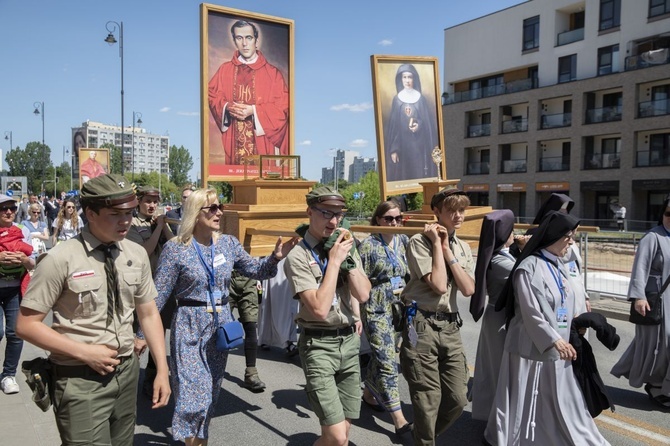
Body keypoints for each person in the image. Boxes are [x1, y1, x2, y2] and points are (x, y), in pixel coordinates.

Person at [135, 188, 298, 446]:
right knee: (194, 396)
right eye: (211, 208)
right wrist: (141, 335)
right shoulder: (175, 249)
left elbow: (257, 270)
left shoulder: (228, 244)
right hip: (189, 325)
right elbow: (158, 296)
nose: (218, 212)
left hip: (219, 327)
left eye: (219, 207)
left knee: (209, 396)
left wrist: (276, 258)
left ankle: (200, 441)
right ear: (195, 213)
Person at [16, 174, 171, 445]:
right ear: (90, 213)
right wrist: (85, 352)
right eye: (115, 214)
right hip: (79, 378)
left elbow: (148, 313)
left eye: (129, 213)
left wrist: (161, 370)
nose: (125, 221)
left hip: (126, 373)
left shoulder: (135, 254)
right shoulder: (60, 259)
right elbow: (26, 325)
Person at [486, 211, 609, 445]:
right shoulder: (528, 268)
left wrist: (576, 323)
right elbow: (531, 312)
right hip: (529, 346)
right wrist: (554, 340)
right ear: (554, 236)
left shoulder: (558, 263)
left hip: (559, 342)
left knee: (557, 398)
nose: (572, 242)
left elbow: (568, 297)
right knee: (524, 397)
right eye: (569, 237)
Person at [284, 186, 371, 445]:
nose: (333, 221)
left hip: (348, 342)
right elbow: (320, 309)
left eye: (338, 215)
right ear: (309, 211)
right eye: (326, 213)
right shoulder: (298, 256)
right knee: (335, 437)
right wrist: (333, 262)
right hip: (318, 345)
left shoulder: (344, 246)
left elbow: (364, 294)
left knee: (343, 432)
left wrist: (348, 260)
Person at [399, 187, 475, 445]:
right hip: (422, 325)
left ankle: (421, 434)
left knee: (457, 398)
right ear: (436, 212)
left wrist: (446, 249)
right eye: (452, 211)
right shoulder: (419, 242)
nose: (458, 216)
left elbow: (468, 289)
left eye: (462, 210)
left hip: (451, 326)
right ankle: (425, 441)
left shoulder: (462, 246)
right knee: (427, 398)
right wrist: (435, 243)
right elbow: (440, 285)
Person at [358, 200, 413, 436]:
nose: (394, 223)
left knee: (385, 355)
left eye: (398, 218)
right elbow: (358, 281)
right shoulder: (368, 246)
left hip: (399, 307)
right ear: (378, 219)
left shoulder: (403, 241)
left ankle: (369, 393)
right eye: (389, 218)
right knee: (388, 360)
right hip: (375, 307)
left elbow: (409, 273)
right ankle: (399, 418)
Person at [611, 196, 670, 408]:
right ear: (662, 214)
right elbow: (640, 269)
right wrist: (639, 296)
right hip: (656, 300)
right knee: (657, 345)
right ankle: (655, 384)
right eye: (667, 213)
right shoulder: (652, 237)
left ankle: (664, 384)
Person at [208, 19, 289, 165]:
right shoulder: (225, 70)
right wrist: (227, 107)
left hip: (262, 144)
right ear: (234, 41)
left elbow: (283, 108)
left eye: (249, 38)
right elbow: (211, 95)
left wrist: (254, 111)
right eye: (239, 38)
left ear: (256, 41)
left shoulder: (272, 74)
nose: (244, 43)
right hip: (234, 141)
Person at [126, 186, 175, 395]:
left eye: (155, 201)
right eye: (148, 201)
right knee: (135, 336)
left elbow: (174, 246)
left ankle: (152, 377)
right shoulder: (131, 224)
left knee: (158, 334)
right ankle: (128, 380)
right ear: (139, 201)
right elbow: (143, 252)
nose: (152, 205)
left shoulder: (159, 223)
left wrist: (163, 227)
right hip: (138, 289)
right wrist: (158, 228)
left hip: (160, 288)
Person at [469, 210, 517, 421]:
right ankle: (495, 419)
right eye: (512, 230)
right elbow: (525, 271)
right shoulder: (499, 261)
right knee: (498, 371)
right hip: (499, 318)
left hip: (500, 317)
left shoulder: (503, 255)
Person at [0, 194, 35, 395]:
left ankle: (8, 375)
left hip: (15, 289)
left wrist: (23, 259)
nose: (9, 212)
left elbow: (34, 262)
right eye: (3, 209)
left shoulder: (23, 231)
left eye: (12, 208)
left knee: (15, 333)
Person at [385, 63, 438, 182]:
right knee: (404, 174)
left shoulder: (420, 99)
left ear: (414, 79)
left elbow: (427, 124)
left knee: (418, 174)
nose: (407, 80)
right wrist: (394, 149)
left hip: (418, 145)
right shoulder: (397, 99)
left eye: (410, 77)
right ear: (400, 79)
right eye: (404, 77)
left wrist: (418, 125)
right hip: (403, 146)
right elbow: (394, 128)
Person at [229, 271, 266, 392]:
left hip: (250, 280)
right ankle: (209, 369)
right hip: (223, 279)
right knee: (215, 326)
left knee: (250, 326)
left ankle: (251, 374)